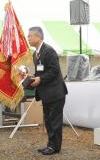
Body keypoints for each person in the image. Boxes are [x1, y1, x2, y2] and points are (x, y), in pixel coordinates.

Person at [28, 27, 68, 155]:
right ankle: (51, 145)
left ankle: (55, 147)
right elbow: (40, 72)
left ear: (38, 37)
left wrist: (40, 78)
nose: (28, 38)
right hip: (46, 94)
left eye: (30, 36)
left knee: (54, 121)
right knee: (49, 121)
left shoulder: (49, 51)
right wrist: (31, 78)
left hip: (55, 93)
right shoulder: (35, 53)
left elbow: (54, 70)